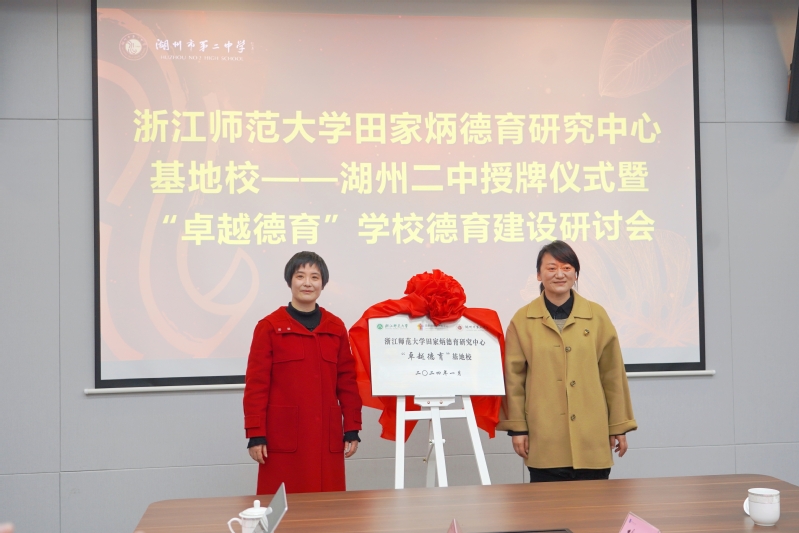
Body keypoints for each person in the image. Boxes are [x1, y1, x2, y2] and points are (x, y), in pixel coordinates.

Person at [497, 241, 637, 482]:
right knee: (548, 505)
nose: (559, 274)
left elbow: (613, 374)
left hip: (592, 435)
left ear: (576, 274)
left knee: (595, 503)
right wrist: (518, 428)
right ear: (539, 274)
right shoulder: (522, 320)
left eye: (566, 268)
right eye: (551, 268)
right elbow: (513, 379)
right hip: (544, 436)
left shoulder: (597, 316)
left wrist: (618, 426)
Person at [243, 251, 363, 494]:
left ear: (323, 283)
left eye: (315, 277)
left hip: (326, 435)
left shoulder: (335, 327)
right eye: (300, 276)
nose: (307, 283)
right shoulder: (270, 327)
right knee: (283, 505)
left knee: (327, 507)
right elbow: (256, 386)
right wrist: (256, 434)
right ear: (290, 281)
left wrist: (352, 427)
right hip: (283, 437)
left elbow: (347, 382)